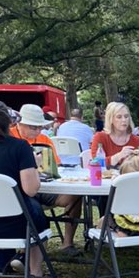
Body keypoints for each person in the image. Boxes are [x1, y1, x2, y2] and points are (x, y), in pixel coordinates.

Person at [10, 104, 82, 258]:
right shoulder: (10, 138)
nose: (37, 131)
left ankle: (67, 243)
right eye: (33, 127)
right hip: (22, 190)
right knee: (30, 206)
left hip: (44, 186)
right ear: (19, 124)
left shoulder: (45, 139)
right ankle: (26, 254)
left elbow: (56, 167)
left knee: (76, 195)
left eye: (40, 127)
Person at [0, 101, 53, 278]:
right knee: (36, 214)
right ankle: (35, 277)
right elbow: (31, 189)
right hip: (18, 223)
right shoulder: (20, 147)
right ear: (9, 123)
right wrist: (34, 165)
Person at [90, 102, 139, 167]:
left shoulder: (137, 140)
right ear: (111, 119)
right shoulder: (100, 137)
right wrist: (119, 156)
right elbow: (96, 163)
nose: (124, 120)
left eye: (126, 116)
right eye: (119, 117)